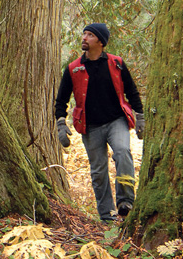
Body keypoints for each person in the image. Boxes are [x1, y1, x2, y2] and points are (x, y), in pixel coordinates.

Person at [54, 23, 144, 222]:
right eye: (84, 33)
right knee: (99, 171)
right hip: (90, 126)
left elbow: (132, 91)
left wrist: (141, 118)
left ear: (101, 42)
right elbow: (61, 100)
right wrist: (61, 124)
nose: (84, 37)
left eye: (90, 35)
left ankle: (126, 201)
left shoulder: (116, 63)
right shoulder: (73, 69)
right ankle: (107, 215)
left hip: (116, 121)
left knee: (123, 152)